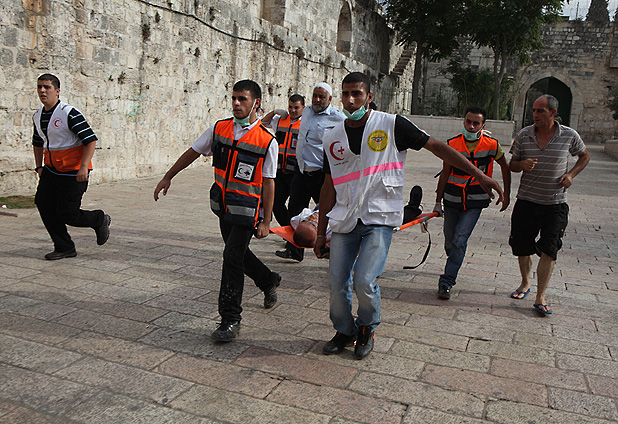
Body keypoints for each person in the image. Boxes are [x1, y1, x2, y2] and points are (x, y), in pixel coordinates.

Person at [315, 72, 504, 359]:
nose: (351, 100)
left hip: (379, 218)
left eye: (357, 93)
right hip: (345, 219)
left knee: (364, 280)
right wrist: (320, 232)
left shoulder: (392, 125)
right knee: (337, 283)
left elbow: (438, 147)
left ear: (369, 96)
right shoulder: (332, 137)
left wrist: (479, 174)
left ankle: (367, 327)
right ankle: (345, 330)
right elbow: (328, 186)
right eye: (346, 94)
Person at [154, 79, 281, 341]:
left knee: (232, 256)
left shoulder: (267, 140)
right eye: (234, 98)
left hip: (247, 211)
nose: (236, 103)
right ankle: (267, 280)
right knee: (238, 254)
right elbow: (193, 151)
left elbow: (269, 182)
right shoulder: (219, 128)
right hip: (224, 207)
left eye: (242, 99)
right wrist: (168, 176)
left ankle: (230, 319)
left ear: (256, 103)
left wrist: (266, 220)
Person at [508, 94, 589, 316]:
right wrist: (522, 164)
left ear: (553, 112)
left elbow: (584, 156)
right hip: (527, 201)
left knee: (550, 250)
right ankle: (525, 282)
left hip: (555, 204)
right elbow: (512, 164)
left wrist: (571, 174)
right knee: (522, 246)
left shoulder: (569, 135)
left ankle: (540, 296)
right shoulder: (524, 135)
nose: (535, 114)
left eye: (540, 111)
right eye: (534, 110)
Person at [434, 106, 511, 300]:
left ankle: (446, 282)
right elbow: (445, 173)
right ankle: (454, 258)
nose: (471, 126)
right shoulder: (452, 143)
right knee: (450, 241)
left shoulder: (492, 145)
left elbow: (505, 167)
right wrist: (437, 201)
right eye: (468, 121)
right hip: (452, 199)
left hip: (475, 200)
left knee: (460, 239)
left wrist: (507, 194)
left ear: (483, 126)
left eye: (476, 123)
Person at [32, 73, 111, 260]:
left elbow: (90, 140)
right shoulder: (38, 116)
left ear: (57, 91)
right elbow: (37, 143)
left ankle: (98, 219)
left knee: (68, 214)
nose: (42, 91)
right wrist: (39, 166)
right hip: (51, 170)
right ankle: (64, 247)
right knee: (44, 204)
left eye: (47, 87)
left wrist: (84, 167)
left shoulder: (69, 113)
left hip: (73, 172)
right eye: (39, 87)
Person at [276, 83, 345, 262]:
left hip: (321, 175)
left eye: (322, 97)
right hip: (301, 172)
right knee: (294, 212)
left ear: (330, 99)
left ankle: (330, 250)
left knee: (327, 214)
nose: (317, 100)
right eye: (315, 95)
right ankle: (295, 250)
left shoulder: (338, 118)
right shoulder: (306, 111)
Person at [261, 94, 305, 227]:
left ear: (303, 108)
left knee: (295, 208)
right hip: (280, 171)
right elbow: (262, 123)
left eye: (296, 108)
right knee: (275, 203)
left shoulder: (306, 124)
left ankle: (292, 234)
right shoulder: (280, 120)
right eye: (290, 107)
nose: (292, 110)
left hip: (296, 172)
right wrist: (274, 112)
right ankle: (288, 230)